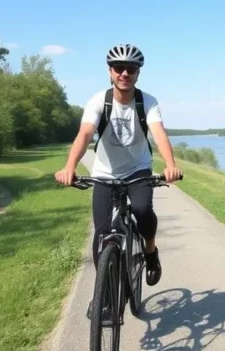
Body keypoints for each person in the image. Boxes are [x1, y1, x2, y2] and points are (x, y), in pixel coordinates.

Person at [55, 43, 183, 316]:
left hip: (138, 169)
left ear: (138, 73)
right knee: (101, 235)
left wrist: (170, 165)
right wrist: (69, 166)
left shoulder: (147, 102)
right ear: (109, 71)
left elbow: (159, 134)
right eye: (119, 68)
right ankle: (105, 295)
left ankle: (149, 250)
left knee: (141, 209)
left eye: (131, 69)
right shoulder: (98, 101)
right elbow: (85, 135)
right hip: (104, 173)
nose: (125, 73)